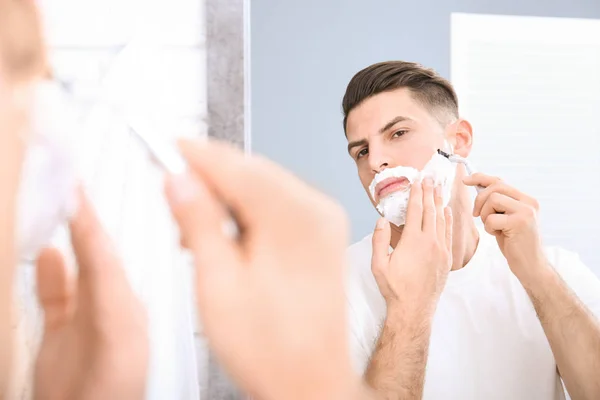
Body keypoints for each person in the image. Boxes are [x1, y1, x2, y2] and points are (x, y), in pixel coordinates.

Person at [342, 60, 600, 400]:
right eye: (361, 151)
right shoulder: (333, 286)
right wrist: (409, 310)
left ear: (459, 142)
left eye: (398, 133)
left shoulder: (553, 270)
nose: (375, 161)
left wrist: (537, 275)